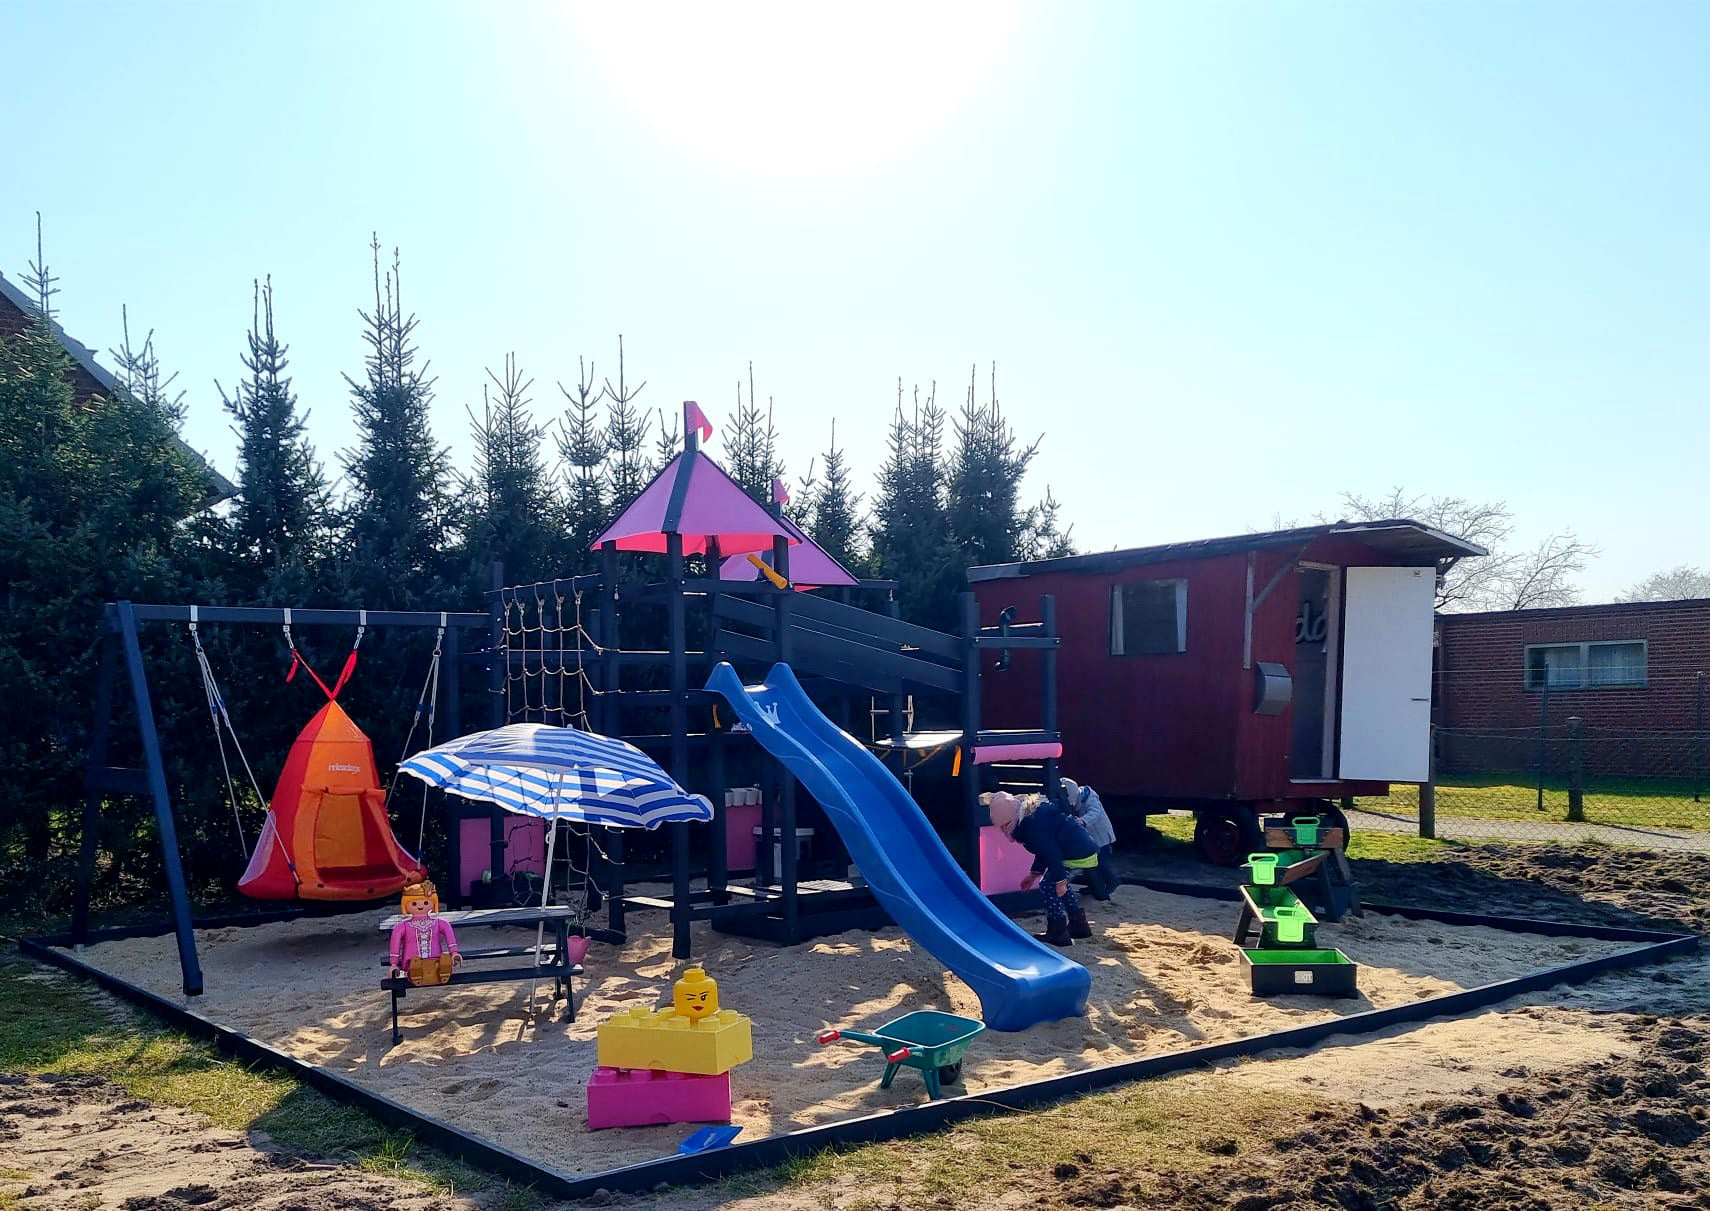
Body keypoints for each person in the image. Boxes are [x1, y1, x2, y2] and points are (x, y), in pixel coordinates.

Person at [986, 791, 1097, 947]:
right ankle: (1078, 925)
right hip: (1081, 850)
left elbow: (1051, 853)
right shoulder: (1033, 821)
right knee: (1057, 885)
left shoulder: (1032, 827)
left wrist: (1060, 880)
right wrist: (1033, 874)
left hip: (1076, 852)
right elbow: (1044, 851)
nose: (1004, 831)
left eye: (1005, 826)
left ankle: (1058, 931)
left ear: (1011, 820)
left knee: (1048, 884)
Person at [389, 879, 462, 986]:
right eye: (414, 903)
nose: (420, 906)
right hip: (412, 961)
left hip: (436, 958)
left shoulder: (439, 923)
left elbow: (448, 931)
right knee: (415, 965)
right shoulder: (403, 926)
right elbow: (395, 940)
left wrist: (454, 952)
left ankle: (443, 970)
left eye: (426, 902)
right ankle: (416, 972)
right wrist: (394, 963)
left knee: (442, 962)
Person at [1061, 778, 1117, 900]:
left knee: (1101, 863)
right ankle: (1093, 887)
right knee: (1089, 865)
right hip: (1089, 840)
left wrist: (1083, 820)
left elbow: (1095, 812)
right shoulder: (1074, 802)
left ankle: (1112, 881)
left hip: (1102, 836)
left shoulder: (1089, 797)